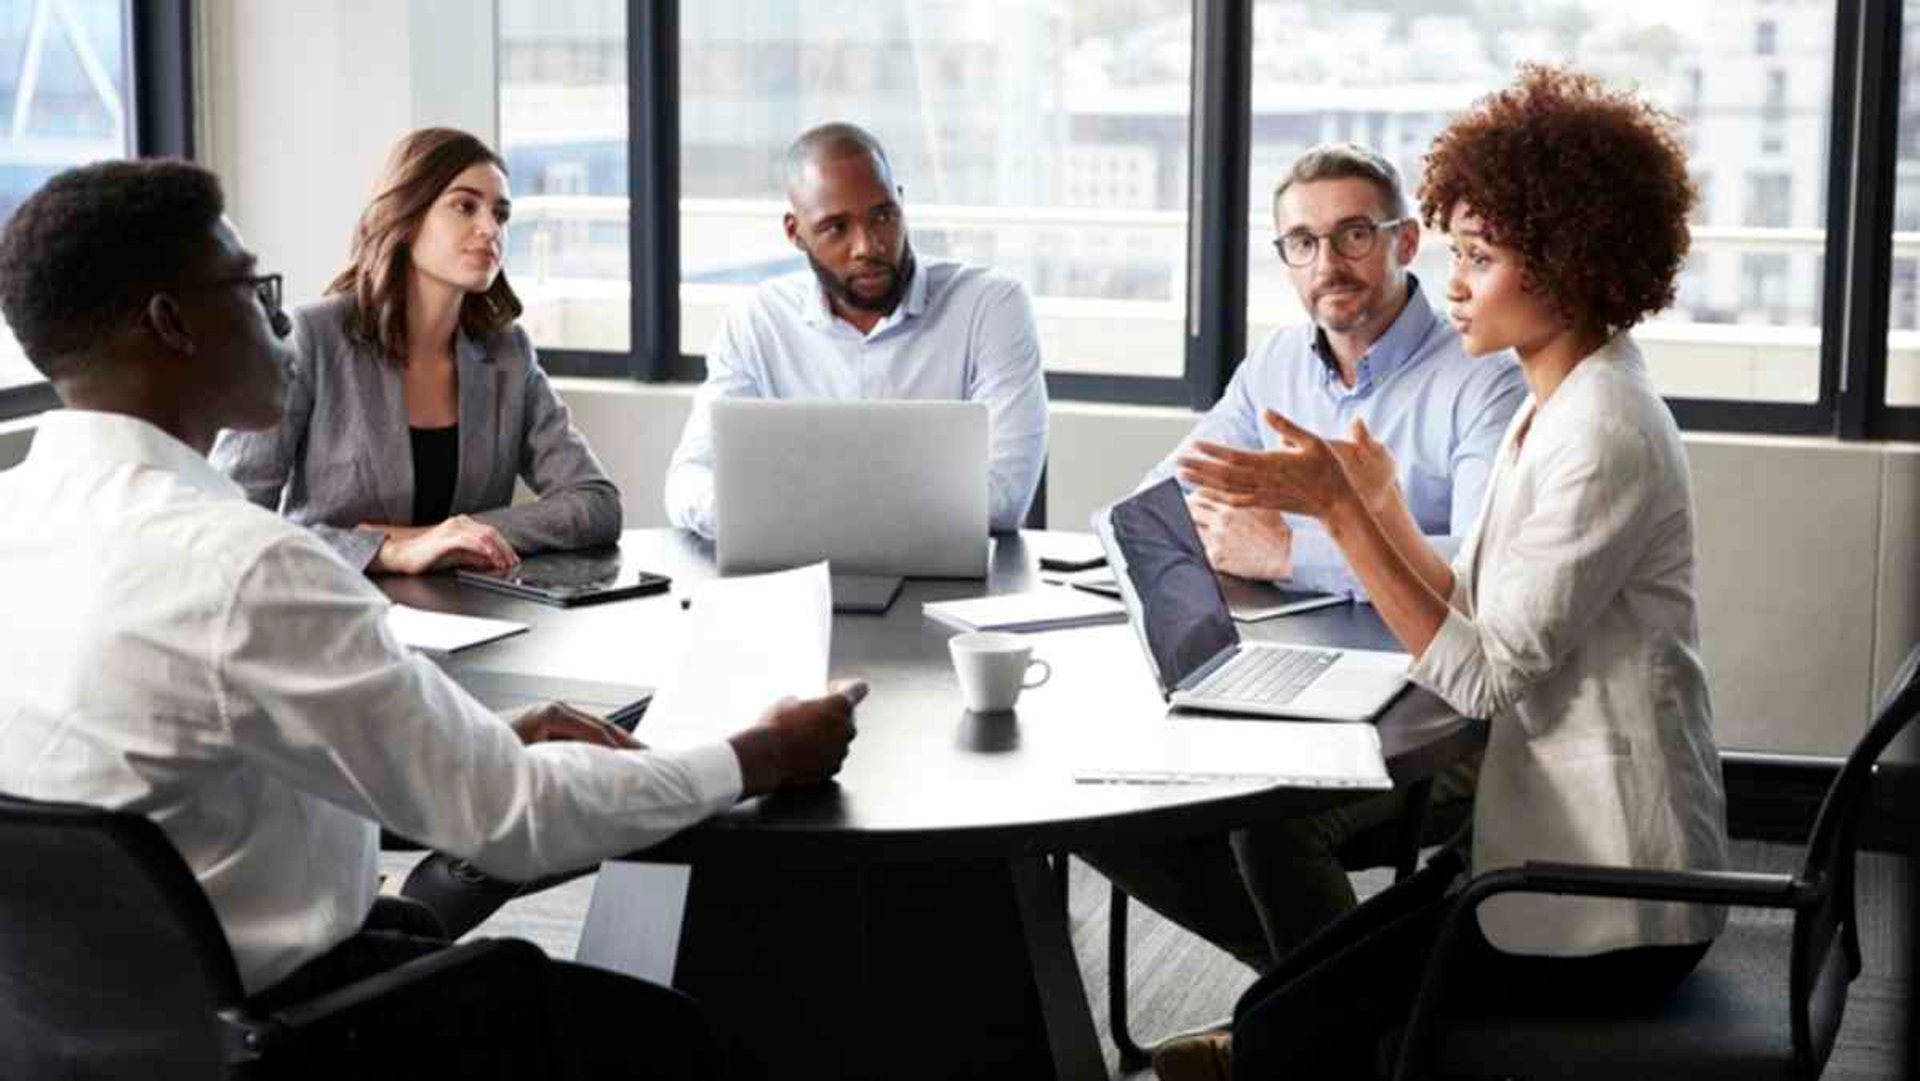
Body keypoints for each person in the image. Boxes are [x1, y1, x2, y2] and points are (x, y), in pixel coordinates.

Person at [0, 158, 862, 1077]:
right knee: (673, 1036)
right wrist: (763, 753)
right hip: (303, 1029)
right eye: (253, 290)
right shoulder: (248, 565)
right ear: (172, 324)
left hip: (100, 1028)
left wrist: (458, 738)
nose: (280, 320)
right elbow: (515, 816)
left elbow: (185, 766)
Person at [1158, 65, 1730, 1081]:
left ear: (1574, 264)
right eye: (1456, 252)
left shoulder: (1601, 431)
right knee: (1279, 1004)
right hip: (1535, 848)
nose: (1454, 283)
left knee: (1292, 1029)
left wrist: (1342, 513)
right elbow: (1478, 597)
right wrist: (1379, 508)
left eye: (1479, 256)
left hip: (1606, 896)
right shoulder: (1555, 400)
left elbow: (1478, 678)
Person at [1081, 144, 1522, 978]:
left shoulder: (1483, 377)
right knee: (1103, 797)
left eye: (1354, 234)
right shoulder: (1281, 359)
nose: (1329, 263)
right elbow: (1166, 495)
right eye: (1302, 242)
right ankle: (1318, 993)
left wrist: (1291, 549)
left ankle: (1328, 1011)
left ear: (1406, 240)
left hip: (1448, 716)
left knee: (1274, 819)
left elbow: (1477, 570)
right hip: (1302, 672)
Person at [212, 126, 620, 576]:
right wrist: (385, 550)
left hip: (478, 622)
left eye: (500, 215)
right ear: (406, 217)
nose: (490, 229)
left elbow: (596, 503)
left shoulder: (508, 353)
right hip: (336, 613)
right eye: (465, 207)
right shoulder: (311, 336)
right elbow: (230, 522)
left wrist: (450, 534)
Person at [663, 121, 1048, 537]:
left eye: (882, 216)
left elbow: (1005, 496)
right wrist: (766, 519)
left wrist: (797, 514)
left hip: (949, 586)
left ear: (900, 204)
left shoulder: (989, 306)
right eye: (836, 228)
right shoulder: (759, 321)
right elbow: (689, 479)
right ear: (796, 233)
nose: (868, 246)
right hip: (798, 576)